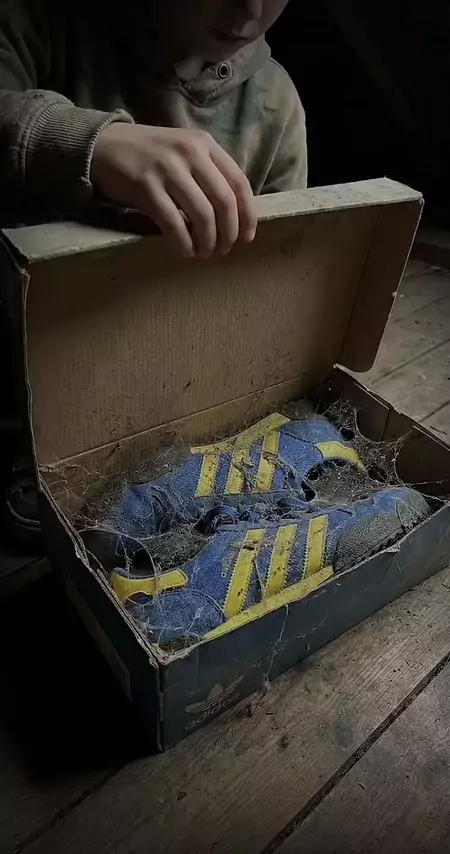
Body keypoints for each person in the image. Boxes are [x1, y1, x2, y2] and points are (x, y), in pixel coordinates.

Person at [0, 0, 307, 547]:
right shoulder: (41, 24)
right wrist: (87, 144)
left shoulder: (277, 106)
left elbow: (279, 286)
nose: (249, 11)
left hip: (180, 388)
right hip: (31, 378)